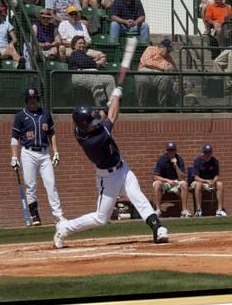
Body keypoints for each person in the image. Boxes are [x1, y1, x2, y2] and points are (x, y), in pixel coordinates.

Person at [53, 89, 169, 249]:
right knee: (102, 218)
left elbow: (102, 115)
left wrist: (107, 107)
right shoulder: (92, 140)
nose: (95, 123)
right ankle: (65, 228)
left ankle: (158, 228)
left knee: (137, 196)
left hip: (123, 169)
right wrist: (115, 96)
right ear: (83, 126)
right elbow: (112, 116)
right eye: (91, 122)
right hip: (107, 178)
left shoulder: (84, 127)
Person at [10, 88, 66, 226]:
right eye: (30, 99)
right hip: (28, 153)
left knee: (51, 184)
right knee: (31, 185)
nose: (32, 101)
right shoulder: (20, 116)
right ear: (26, 100)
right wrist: (14, 157)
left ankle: (58, 215)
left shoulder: (45, 114)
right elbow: (14, 138)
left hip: (44, 152)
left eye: (34, 98)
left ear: (38, 99)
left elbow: (51, 133)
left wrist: (56, 152)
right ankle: (35, 216)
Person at [68, 36, 116, 106]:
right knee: (96, 81)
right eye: (79, 43)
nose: (82, 45)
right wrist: (98, 63)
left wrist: (96, 61)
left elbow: (88, 61)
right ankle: (101, 106)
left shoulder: (84, 55)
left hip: (90, 74)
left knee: (109, 78)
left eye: (83, 43)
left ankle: (113, 104)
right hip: (79, 75)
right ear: (74, 45)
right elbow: (83, 63)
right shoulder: (75, 53)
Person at [152, 142, 191, 218]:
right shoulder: (161, 160)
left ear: (175, 151)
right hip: (165, 182)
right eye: (169, 150)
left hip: (176, 181)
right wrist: (167, 181)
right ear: (166, 151)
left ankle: (184, 211)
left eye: (172, 150)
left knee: (184, 184)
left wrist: (176, 165)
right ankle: (158, 210)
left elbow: (182, 178)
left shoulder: (179, 159)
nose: (171, 152)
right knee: (157, 184)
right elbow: (155, 176)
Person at [135, 39, 178, 107]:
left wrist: (171, 68)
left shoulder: (168, 57)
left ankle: (161, 106)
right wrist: (163, 67)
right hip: (146, 72)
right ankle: (141, 106)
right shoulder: (150, 49)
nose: (169, 52)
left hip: (160, 76)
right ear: (162, 47)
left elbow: (175, 69)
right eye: (168, 50)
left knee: (166, 78)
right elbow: (147, 62)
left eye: (170, 51)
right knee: (141, 79)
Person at [191, 144, 227, 217]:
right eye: (206, 153)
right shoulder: (197, 161)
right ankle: (198, 210)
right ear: (203, 153)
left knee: (220, 184)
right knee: (198, 184)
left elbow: (216, 175)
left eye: (209, 153)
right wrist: (206, 181)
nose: (207, 155)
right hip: (200, 181)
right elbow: (196, 177)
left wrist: (213, 182)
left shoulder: (215, 161)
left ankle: (219, 210)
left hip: (211, 182)